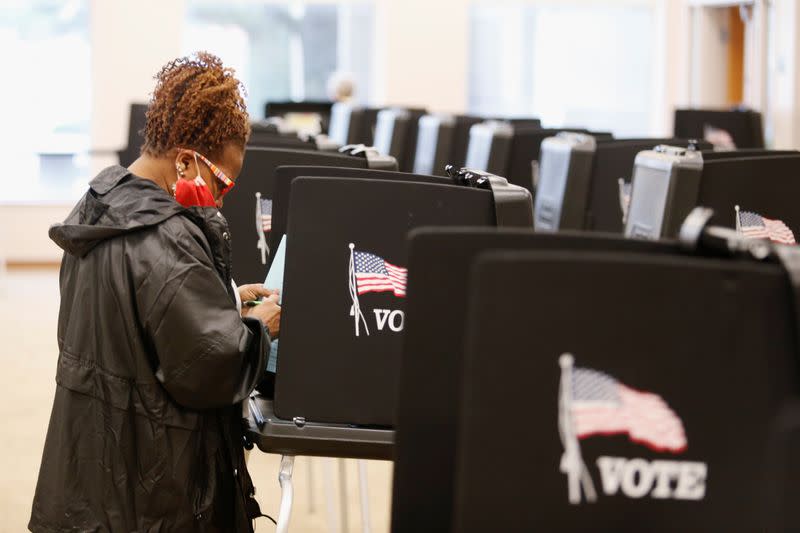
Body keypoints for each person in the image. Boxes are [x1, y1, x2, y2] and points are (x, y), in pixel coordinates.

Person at [29, 52, 279, 532]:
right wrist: (256, 326)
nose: (223, 197)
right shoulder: (169, 237)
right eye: (222, 182)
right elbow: (212, 366)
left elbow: (136, 324)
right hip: (156, 490)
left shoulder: (96, 208)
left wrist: (222, 299)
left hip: (94, 473)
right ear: (186, 160)